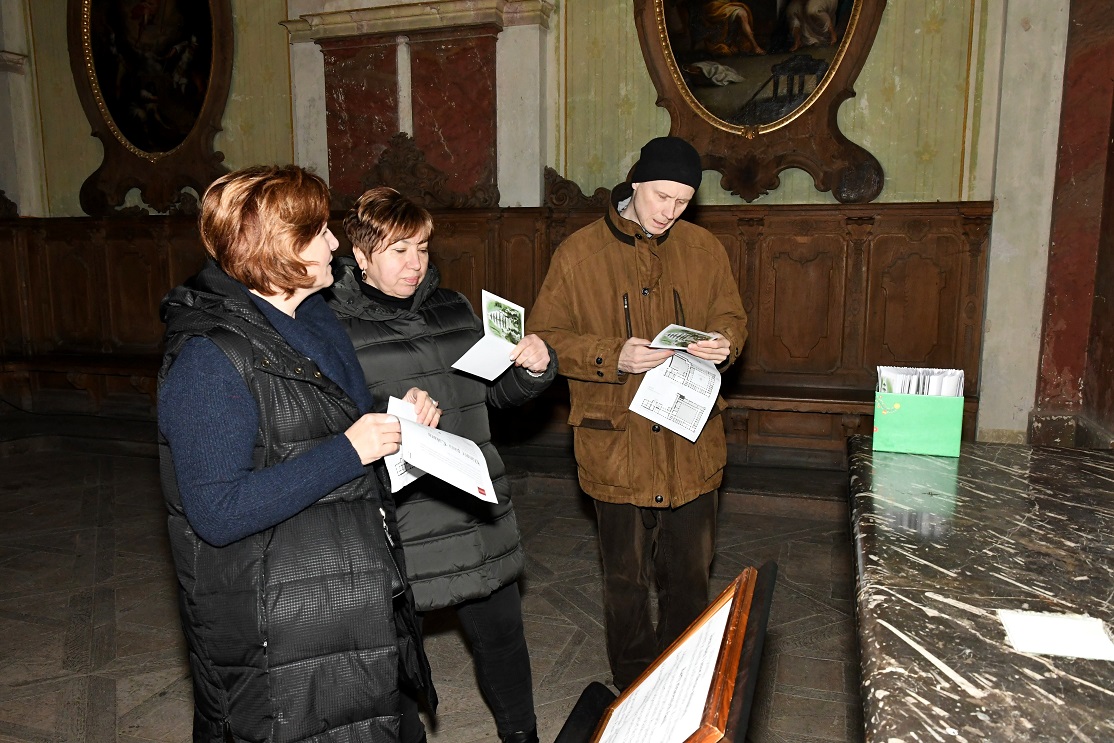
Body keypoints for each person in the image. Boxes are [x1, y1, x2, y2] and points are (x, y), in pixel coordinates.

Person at [158, 165, 438, 741]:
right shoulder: (209, 359)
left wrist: (394, 418)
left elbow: (312, 420)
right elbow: (216, 511)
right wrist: (350, 451)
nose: (336, 245)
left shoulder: (309, 320)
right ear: (276, 248)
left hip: (345, 591)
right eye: (319, 233)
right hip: (279, 626)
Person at [327, 186, 556, 743]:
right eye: (398, 250)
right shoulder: (330, 324)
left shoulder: (453, 308)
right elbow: (325, 417)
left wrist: (532, 369)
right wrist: (391, 410)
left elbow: (491, 395)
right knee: (397, 660)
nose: (415, 263)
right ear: (361, 255)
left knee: (503, 639)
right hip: (401, 518)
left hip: (473, 507)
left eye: (422, 248)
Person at [526, 136, 748, 691]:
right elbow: (545, 337)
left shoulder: (704, 249)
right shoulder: (579, 254)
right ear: (635, 184)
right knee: (625, 581)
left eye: (683, 202)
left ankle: (683, 686)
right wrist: (612, 355)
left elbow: (732, 315)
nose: (670, 211)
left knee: (689, 578)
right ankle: (635, 690)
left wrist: (725, 342)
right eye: (661, 197)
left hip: (689, 442)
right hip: (615, 441)